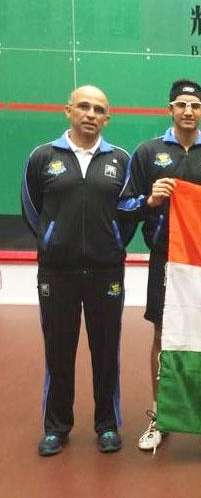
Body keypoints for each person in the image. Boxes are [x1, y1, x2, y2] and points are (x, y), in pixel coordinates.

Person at [119, 79, 201, 451]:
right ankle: (160, 413)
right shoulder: (148, 152)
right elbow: (124, 205)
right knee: (162, 335)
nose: (188, 111)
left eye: (195, 106)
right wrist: (150, 201)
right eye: (181, 105)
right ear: (170, 109)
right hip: (165, 260)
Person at [21, 85, 130, 456]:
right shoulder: (42, 157)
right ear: (67, 110)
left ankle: (107, 425)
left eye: (98, 109)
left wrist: (113, 243)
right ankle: (56, 428)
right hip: (57, 273)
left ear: (107, 118)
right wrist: (53, 242)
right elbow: (32, 207)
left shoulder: (120, 160)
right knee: (59, 352)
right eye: (83, 106)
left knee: (106, 352)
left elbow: (127, 212)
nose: (90, 114)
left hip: (106, 273)